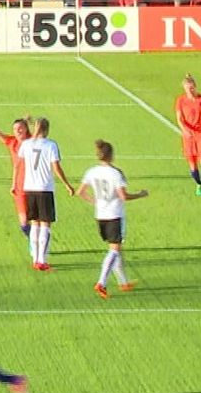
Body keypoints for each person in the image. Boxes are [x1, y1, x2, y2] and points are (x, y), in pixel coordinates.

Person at [76, 139, 149, 299]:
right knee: (114, 250)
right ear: (111, 155)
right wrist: (140, 194)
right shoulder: (116, 173)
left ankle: (123, 282)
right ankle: (101, 282)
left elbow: (80, 192)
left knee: (117, 249)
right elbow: (123, 196)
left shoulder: (92, 171)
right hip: (114, 215)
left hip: (100, 215)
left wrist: (94, 201)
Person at [16, 117, 76, 271]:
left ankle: (35, 259)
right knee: (45, 225)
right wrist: (67, 185)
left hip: (29, 188)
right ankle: (42, 260)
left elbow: (19, 164)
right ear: (47, 129)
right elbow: (56, 168)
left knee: (34, 224)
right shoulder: (51, 145)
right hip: (45, 188)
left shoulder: (26, 145)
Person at [0, 110, 32, 247]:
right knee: (24, 221)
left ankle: (39, 244)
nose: (18, 131)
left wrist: (29, 121)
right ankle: (33, 242)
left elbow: (41, 132)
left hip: (34, 185)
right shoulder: (12, 142)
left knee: (38, 219)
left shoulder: (32, 141)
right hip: (20, 186)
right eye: (15, 129)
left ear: (26, 129)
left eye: (21, 128)